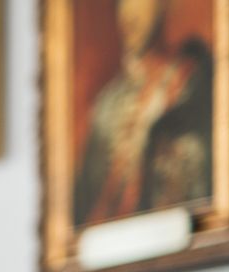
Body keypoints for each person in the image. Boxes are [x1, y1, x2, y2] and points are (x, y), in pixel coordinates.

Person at [71, 0, 213, 228]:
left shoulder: (194, 84)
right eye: (121, 2)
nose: (128, 12)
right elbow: (79, 218)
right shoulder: (107, 107)